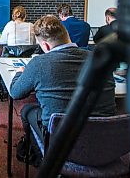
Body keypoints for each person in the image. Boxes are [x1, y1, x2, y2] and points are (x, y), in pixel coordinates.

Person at [10, 15, 116, 159]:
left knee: (27, 110)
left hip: (61, 142)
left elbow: (15, 93)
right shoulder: (101, 59)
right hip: (106, 142)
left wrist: (19, 73)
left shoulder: (39, 63)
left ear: (46, 46)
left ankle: (40, 157)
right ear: (67, 36)